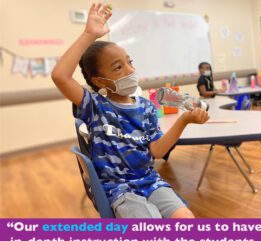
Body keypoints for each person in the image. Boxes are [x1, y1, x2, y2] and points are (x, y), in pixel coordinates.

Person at [51, 3, 209, 218]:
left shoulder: (145, 107)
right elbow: (60, 76)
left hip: (151, 182)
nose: (130, 70)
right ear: (100, 81)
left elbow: (157, 151)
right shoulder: (95, 105)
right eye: (118, 67)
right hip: (120, 190)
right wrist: (89, 34)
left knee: (185, 218)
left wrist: (184, 120)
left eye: (129, 62)